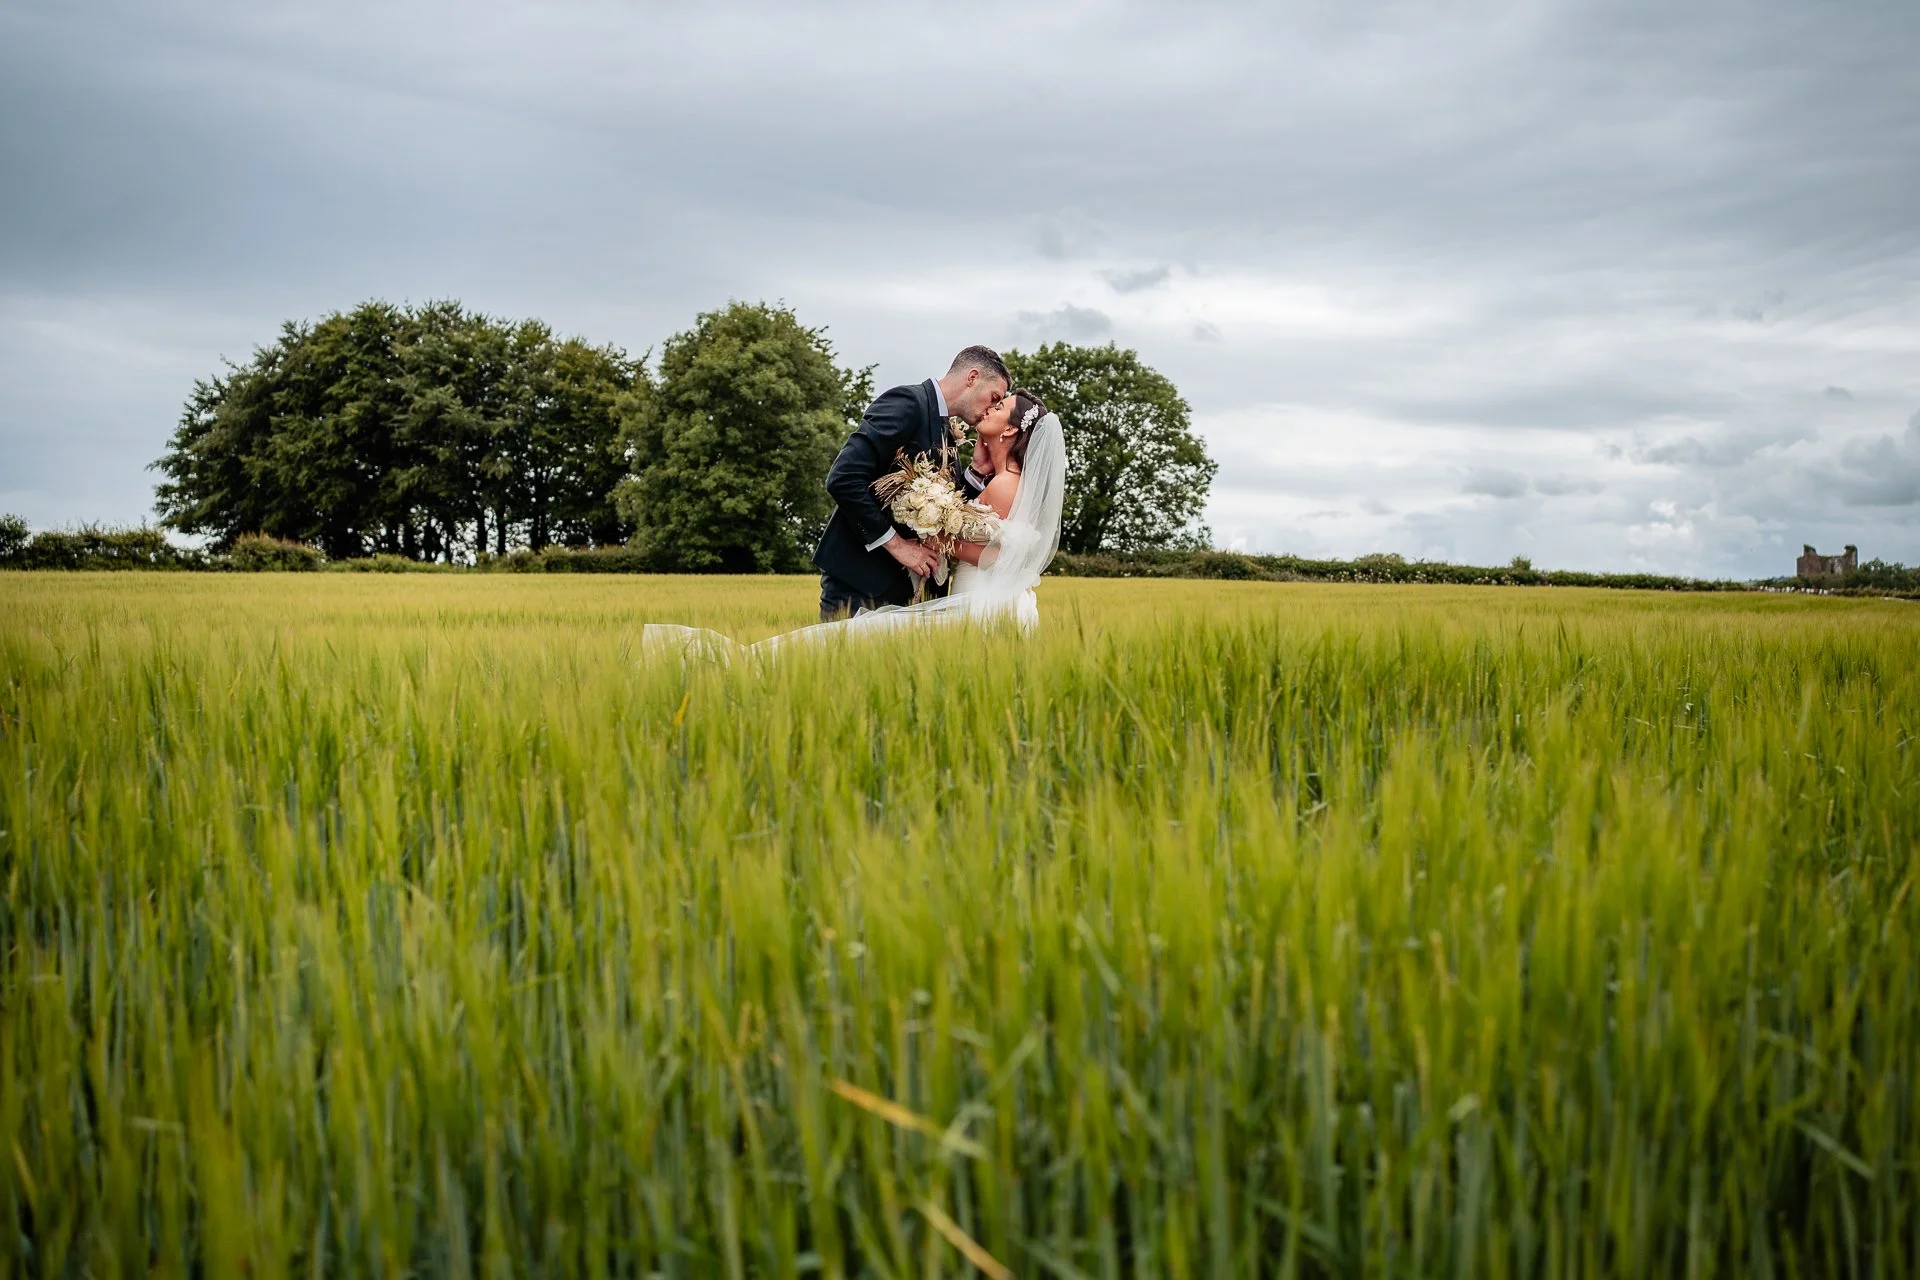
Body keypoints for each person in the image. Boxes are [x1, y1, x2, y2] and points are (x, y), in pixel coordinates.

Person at [811, 346, 1009, 622]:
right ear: (973, 377)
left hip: (908, 593)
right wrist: (897, 546)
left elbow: (942, 512)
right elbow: (843, 478)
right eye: (994, 397)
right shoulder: (906, 402)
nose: (991, 408)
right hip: (861, 584)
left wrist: (976, 473)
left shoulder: (946, 430)